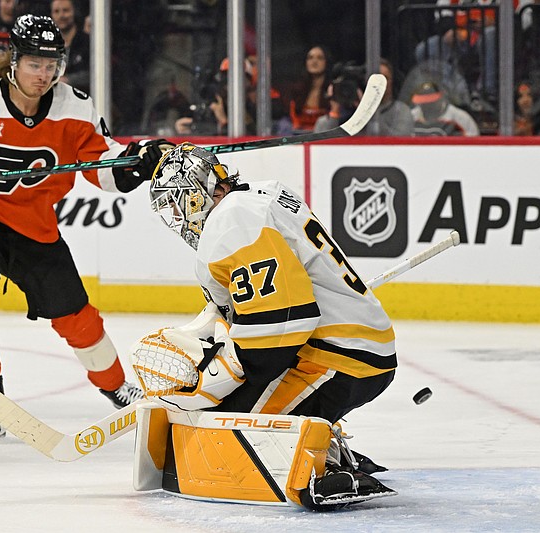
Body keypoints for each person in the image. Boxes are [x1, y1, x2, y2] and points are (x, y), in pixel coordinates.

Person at [0, 14, 171, 441]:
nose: (44, 75)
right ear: (14, 61)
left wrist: (141, 159)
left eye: (52, 64)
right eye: (34, 64)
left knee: (77, 319)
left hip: (35, 229)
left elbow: (107, 168)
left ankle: (115, 387)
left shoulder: (75, 106)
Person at [142, 142, 398, 508]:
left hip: (339, 358)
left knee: (222, 437)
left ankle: (323, 462)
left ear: (204, 191)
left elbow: (284, 321)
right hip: (340, 345)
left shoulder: (232, 220)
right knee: (218, 422)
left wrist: (222, 375)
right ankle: (320, 435)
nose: (179, 218)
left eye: (179, 202)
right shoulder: (263, 194)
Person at [288, 45, 332, 132]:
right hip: (298, 137)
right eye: (310, 58)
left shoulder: (332, 90)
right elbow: (293, 122)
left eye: (320, 58)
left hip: (325, 140)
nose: (314, 61)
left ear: (326, 62)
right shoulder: (297, 90)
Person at [410, 81, 479, 136]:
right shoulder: (410, 117)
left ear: (441, 99)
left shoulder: (461, 118)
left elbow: (473, 145)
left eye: (431, 103)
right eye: (423, 103)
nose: (427, 106)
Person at [50, 0, 89, 93]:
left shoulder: (87, 42)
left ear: (74, 12)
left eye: (65, 10)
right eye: (56, 11)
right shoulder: (48, 44)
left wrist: (67, 80)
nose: (61, 15)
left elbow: (95, 74)